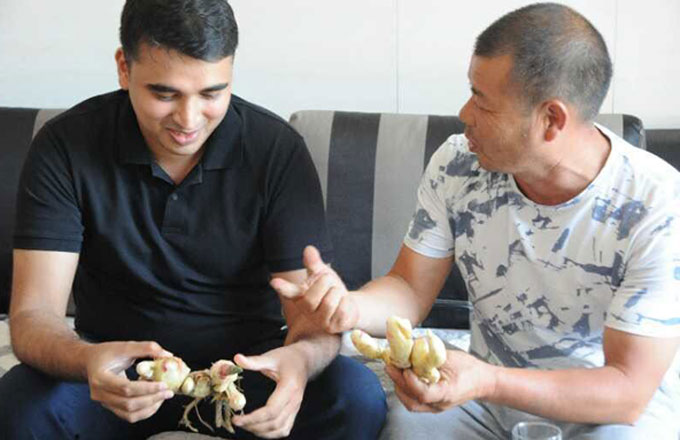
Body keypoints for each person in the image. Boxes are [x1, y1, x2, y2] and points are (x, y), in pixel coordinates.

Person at [273, 3, 680, 439]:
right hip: (483, 405)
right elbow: (409, 288)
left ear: (551, 120)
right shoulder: (458, 163)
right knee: (407, 428)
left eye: (483, 102)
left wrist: (487, 380)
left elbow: (626, 390)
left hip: (604, 414)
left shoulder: (656, 206)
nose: (465, 113)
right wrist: (349, 307)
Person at [0, 1, 386, 439]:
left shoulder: (276, 150)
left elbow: (311, 324)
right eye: (165, 94)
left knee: (355, 396)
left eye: (211, 94)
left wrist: (298, 362)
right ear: (124, 68)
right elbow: (33, 315)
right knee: (19, 404)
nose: (188, 120)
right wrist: (88, 360)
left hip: (248, 372)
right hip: (115, 372)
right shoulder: (65, 146)